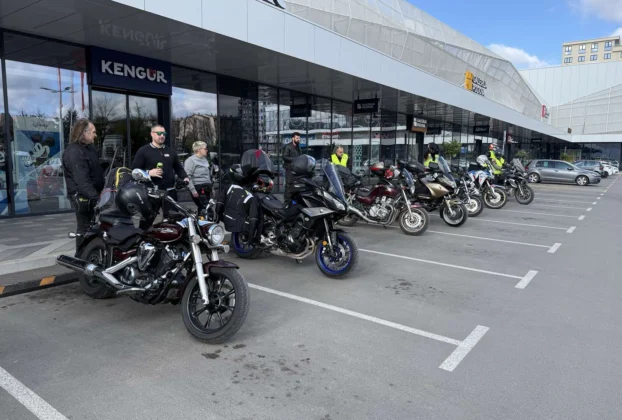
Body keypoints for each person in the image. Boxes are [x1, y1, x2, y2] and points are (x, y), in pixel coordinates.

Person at [62, 118, 104, 252]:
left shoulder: (88, 149)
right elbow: (82, 181)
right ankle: (81, 256)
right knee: (85, 229)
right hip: (82, 197)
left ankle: (89, 254)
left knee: (91, 228)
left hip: (90, 196)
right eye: (93, 132)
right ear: (84, 133)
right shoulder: (74, 152)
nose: (95, 135)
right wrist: (97, 199)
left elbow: (94, 169)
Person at [131, 124, 189, 219]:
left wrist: (185, 178)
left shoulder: (171, 151)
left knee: (172, 221)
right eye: (159, 133)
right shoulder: (143, 151)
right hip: (151, 193)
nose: (162, 136)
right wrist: (148, 173)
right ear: (152, 134)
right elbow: (134, 171)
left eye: (164, 133)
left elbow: (179, 168)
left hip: (169, 193)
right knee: (146, 222)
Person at [184, 141, 213, 213]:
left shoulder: (204, 159)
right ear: (199, 149)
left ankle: (200, 219)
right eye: (205, 149)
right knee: (207, 209)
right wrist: (193, 190)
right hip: (198, 188)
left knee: (203, 209)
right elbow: (187, 176)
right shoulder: (190, 160)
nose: (207, 150)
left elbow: (208, 175)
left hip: (207, 188)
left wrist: (212, 188)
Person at [282, 131, 301, 201]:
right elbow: (284, 157)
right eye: (297, 138)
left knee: (295, 185)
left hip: (296, 169)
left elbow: (300, 156)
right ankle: (287, 201)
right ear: (293, 138)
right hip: (289, 169)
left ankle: (293, 200)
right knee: (288, 185)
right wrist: (295, 159)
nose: (298, 140)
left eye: (299, 138)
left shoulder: (298, 147)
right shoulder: (287, 146)